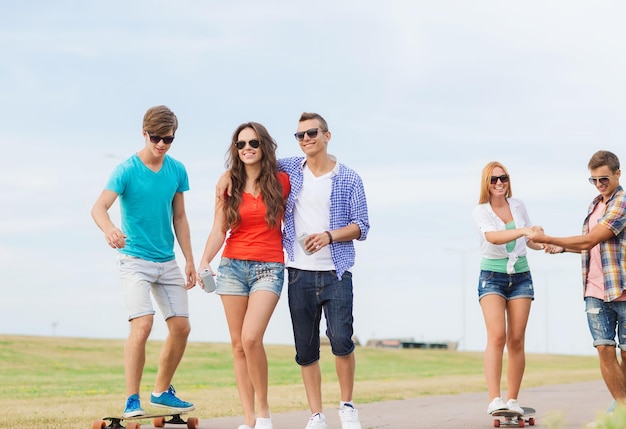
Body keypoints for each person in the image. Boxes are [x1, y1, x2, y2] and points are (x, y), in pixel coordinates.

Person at [91, 105, 196, 417]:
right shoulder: (126, 170)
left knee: (181, 327)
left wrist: (189, 260)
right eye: (156, 138)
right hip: (134, 259)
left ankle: (162, 391)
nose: (161, 144)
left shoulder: (177, 170)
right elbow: (99, 207)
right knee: (143, 324)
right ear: (144, 133)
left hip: (167, 261)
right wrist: (110, 229)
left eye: (168, 139)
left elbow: (180, 216)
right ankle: (131, 399)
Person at [198, 122, 290, 429]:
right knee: (238, 345)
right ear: (235, 150)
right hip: (232, 267)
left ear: (264, 145)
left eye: (253, 143)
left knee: (252, 338)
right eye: (240, 144)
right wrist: (204, 262)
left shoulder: (282, 181)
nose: (247, 149)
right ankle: (249, 420)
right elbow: (218, 229)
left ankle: (264, 413)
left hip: (269, 267)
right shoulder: (228, 184)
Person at [281, 112, 369, 429]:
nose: (306, 139)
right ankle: (316, 414)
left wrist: (330, 236)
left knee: (342, 339)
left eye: (312, 133)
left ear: (327, 136)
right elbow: (255, 165)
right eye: (300, 135)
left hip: (336, 271)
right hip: (298, 272)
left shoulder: (348, 178)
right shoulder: (289, 169)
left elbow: (362, 226)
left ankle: (347, 406)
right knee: (305, 348)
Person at [528, 150, 626, 409]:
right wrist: (561, 248)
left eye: (603, 179)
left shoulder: (622, 203)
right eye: (593, 180)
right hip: (594, 289)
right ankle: (623, 410)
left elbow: (591, 239)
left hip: (622, 288)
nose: (598, 184)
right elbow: (588, 247)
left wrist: (548, 238)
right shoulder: (594, 204)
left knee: (625, 354)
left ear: (618, 173)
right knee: (604, 349)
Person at [472, 161, 551, 416]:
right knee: (497, 336)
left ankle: (513, 399)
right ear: (486, 183)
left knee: (516, 340)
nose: (499, 184)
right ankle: (495, 399)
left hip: (520, 276)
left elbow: (530, 240)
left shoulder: (518, 206)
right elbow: (493, 237)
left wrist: (546, 243)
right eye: (493, 180)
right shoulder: (481, 210)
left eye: (503, 178)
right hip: (492, 276)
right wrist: (524, 230)